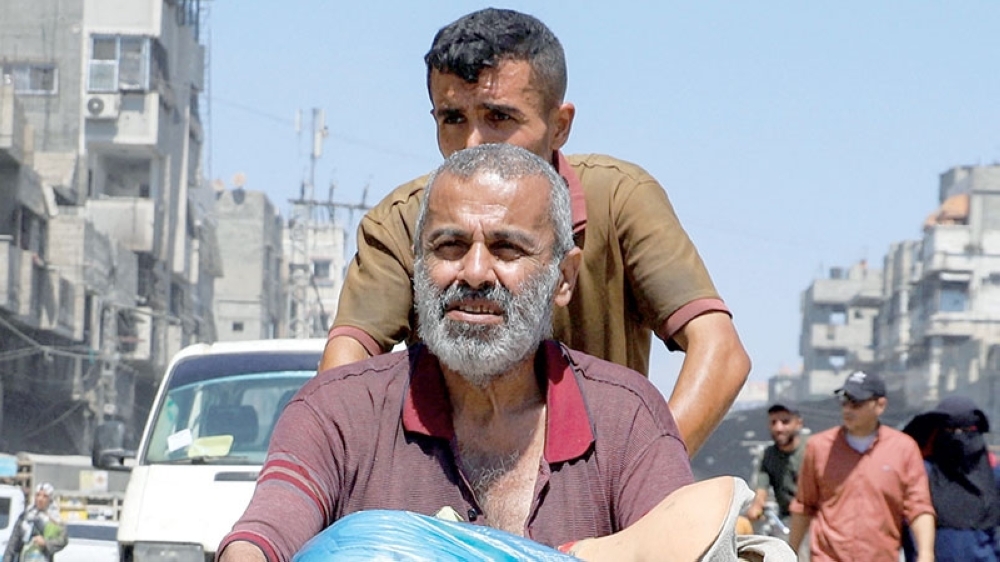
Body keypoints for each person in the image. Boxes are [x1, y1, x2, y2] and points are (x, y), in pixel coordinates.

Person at [217, 145, 790, 562]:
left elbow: (679, 540)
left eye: (508, 248)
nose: (473, 272)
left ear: (564, 278)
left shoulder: (626, 416)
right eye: (448, 246)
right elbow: (267, 527)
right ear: (418, 269)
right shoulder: (338, 410)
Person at [320, 7, 750, 456]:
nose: (473, 143)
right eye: (453, 119)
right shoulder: (401, 223)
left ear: (560, 125)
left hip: (596, 502)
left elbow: (720, 352)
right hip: (452, 500)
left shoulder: (619, 199)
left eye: (499, 118)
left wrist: (644, 479)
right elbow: (341, 373)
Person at [788, 371, 936, 562]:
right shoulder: (819, 447)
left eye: (856, 403)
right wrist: (789, 554)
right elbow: (803, 506)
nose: (848, 409)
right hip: (828, 557)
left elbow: (919, 507)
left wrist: (926, 554)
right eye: (844, 401)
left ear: (880, 405)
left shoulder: (903, 449)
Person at [902, 396, 1000, 562]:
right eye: (950, 431)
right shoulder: (921, 472)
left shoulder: (994, 471)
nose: (958, 437)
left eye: (967, 430)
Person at [746, 404, 806, 526]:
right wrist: (756, 507)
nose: (779, 428)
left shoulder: (813, 449)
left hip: (815, 519)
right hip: (786, 520)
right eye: (773, 422)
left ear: (798, 424)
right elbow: (761, 490)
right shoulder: (768, 455)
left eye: (785, 422)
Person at [2, 482, 66, 562]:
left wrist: (45, 543)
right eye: (38, 495)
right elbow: (12, 544)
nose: (40, 499)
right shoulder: (25, 516)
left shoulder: (55, 519)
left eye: (44, 496)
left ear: (50, 499)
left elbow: (63, 540)